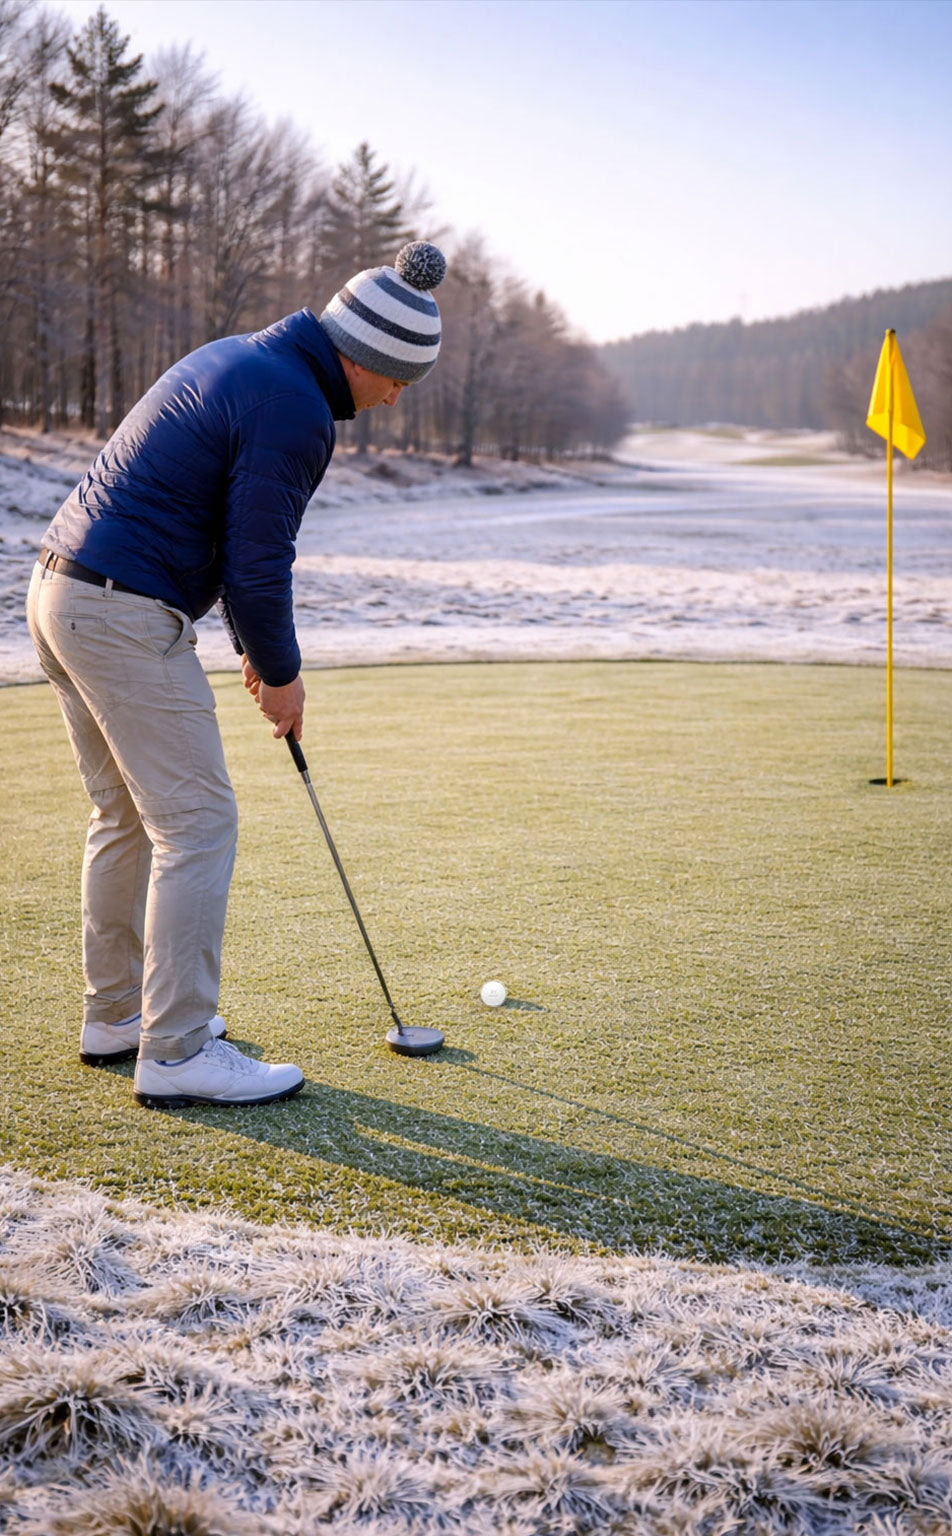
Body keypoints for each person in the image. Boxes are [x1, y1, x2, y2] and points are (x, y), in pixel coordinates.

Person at [26, 241, 446, 1110]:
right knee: (200, 825)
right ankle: (176, 1052)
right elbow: (259, 562)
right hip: (120, 610)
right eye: (398, 378)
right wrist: (282, 674)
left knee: (125, 816)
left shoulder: (238, 357)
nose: (397, 396)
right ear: (362, 358)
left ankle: (117, 1018)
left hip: (59, 589)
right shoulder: (296, 408)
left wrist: (255, 653)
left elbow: (214, 524)